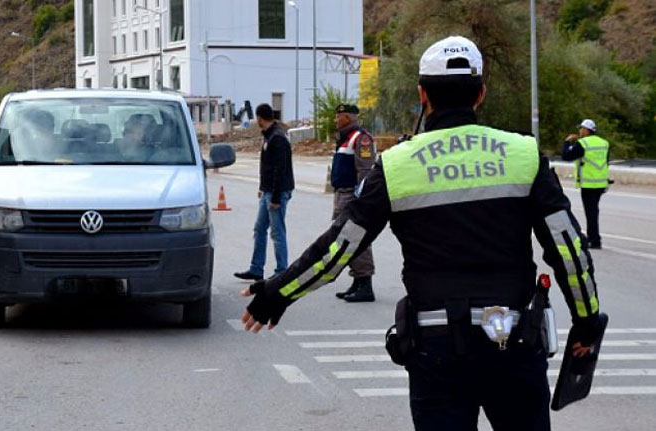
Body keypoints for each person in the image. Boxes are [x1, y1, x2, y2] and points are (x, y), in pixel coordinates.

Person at [240, 36, 602, 431]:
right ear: (480, 94)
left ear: (422, 94)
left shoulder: (397, 165)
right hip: (512, 341)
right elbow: (569, 249)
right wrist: (585, 321)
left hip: (437, 348)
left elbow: (339, 249)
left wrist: (278, 293)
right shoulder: (523, 154)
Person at [234, 103, 295, 281]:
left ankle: (282, 271)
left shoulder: (277, 138)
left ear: (260, 118)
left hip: (277, 193)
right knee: (260, 229)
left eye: (257, 119)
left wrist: (275, 197)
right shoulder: (269, 136)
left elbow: (280, 170)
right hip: (268, 191)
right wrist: (262, 187)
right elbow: (268, 167)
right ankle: (256, 268)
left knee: (277, 232)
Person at [330, 103, 377, 302]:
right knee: (344, 239)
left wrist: (361, 198)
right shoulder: (345, 139)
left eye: (338, 116)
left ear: (348, 118)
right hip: (341, 194)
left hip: (352, 195)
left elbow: (365, 171)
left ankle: (365, 283)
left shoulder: (361, 138)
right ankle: (357, 280)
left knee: (356, 238)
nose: (335, 120)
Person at [562, 119, 609, 249]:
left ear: (587, 130)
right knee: (593, 211)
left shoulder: (582, 143)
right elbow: (606, 161)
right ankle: (593, 238)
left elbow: (566, 156)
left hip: (589, 183)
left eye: (581, 128)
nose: (579, 131)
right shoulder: (604, 143)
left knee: (591, 212)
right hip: (601, 183)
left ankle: (595, 240)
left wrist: (567, 142)